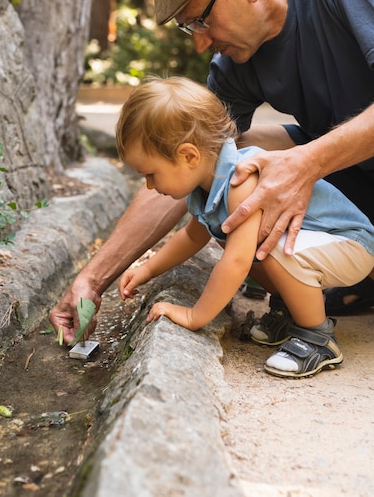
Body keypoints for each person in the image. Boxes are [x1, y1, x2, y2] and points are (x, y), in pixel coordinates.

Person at [49, 0, 374, 345]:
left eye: (201, 20)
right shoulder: (236, 65)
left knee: (281, 159)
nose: (201, 44)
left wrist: (307, 164)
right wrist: (92, 280)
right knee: (234, 151)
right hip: (358, 189)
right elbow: (179, 164)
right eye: (189, 28)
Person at [114, 76, 374, 378]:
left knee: (258, 248)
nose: (149, 185)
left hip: (348, 242)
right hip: (317, 244)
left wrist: (194, 315)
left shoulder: (240, 180)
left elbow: (237, 263)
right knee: (240, 240)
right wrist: (145, 271)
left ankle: (318, 338)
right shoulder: (205, 189)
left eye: (151, 174)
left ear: (188, 156)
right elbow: (190, 236)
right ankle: (290, 312)